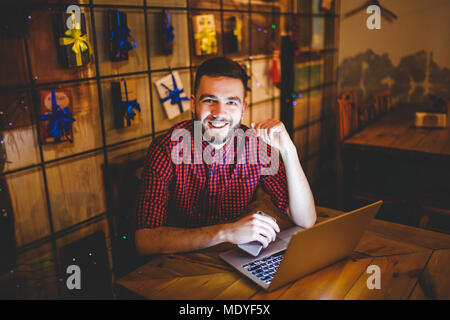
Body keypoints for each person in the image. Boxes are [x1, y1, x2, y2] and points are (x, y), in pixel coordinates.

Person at [135, 56, 316, 255]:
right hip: (178, 264)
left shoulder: (255, 146)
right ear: (194, 104)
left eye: (231, 102)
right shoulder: (166, 149)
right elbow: (145, 240)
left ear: (243, 109)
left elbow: (306, 219)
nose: (219, 112)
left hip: (235, 258)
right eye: (210, 100)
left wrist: (289, 151)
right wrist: (226, 232)